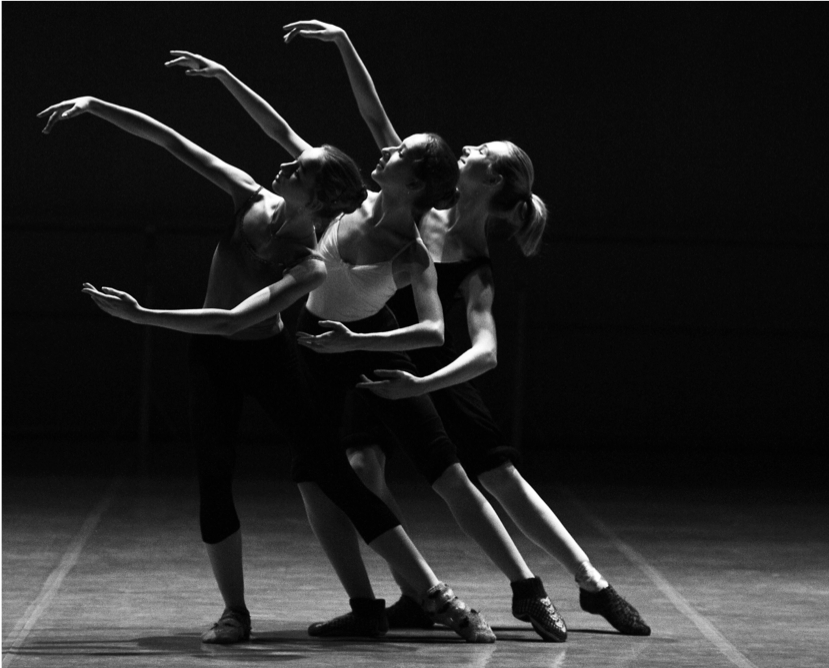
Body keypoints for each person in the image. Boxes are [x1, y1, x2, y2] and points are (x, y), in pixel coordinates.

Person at [37, 79, 493, 644]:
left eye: (298, 168)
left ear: (318, 196)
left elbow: (235, 320)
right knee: (214, 475)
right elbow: (173, 142)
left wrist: (142, 315)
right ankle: (235, 611)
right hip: (212, 358)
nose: (285, 165)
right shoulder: (249, 195)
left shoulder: (310, 263)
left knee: (332, 472)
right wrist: (97, 105)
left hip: (269, 357)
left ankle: (436, 596)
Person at [282, 19, 652, 638]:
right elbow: (376, 120)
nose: (467, 150)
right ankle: (411, 592)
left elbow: (484, 353)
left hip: (437, 370)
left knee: (494, 475)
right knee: (361, 463)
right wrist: (345, 43)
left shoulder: (476, 267)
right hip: (383, 353)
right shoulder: (419, 208)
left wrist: (425, 382)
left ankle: (590, 585)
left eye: (480, 153)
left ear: (495, 180)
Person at [189, 41, 567, 644]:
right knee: (319, 478)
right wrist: (238, 72)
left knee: (447, 471)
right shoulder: (351, 196)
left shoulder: (415, 248)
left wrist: (363, 347)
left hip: (371, 350)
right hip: (318, 347)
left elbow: (433, 331)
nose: (385, 148)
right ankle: (371, 604)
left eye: (400, 152)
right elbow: (288, 128)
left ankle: (526, 588)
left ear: (417, 182)